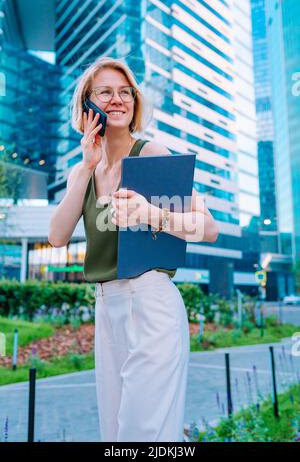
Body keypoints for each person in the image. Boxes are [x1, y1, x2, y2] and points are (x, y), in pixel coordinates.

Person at [48, 56, 219, 442]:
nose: (118, 99)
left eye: (125, 92)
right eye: (105, 92)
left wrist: (151, 213)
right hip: (106, 308)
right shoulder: (84, 170)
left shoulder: (151, 153)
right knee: (115, 435)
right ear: (87, 105)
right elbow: (57, 235)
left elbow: (208, 229)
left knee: (140, 434)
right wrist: (87, 166)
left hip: (151, 305)